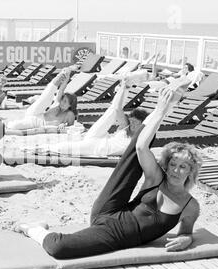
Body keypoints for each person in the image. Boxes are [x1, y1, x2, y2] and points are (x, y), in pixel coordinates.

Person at [15, 77, 202, 259]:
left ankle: (33, 228)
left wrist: (186, 239)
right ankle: (167, 104)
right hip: (109, 209)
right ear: (167, 165)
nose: (176, 171)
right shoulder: (157, 178)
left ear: (191, 170)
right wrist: (161, 110)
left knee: (59, 247)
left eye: (183, 166)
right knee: (135, 153)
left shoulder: (191, 206)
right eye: (173, 164)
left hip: (118, 233)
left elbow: (186, 232)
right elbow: (140, 147)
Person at [38, 77, 149, 157]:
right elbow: (117, 109)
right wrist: (125, 88)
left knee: (68, 148)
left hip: (96, 147)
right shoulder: (126, 127)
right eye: (132, 121)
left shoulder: (140, 140)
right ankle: (125, 87)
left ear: (142, 125)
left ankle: (44, 148)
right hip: (100, 137)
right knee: (112, 111)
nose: (133, 124)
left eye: (136, 123)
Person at [7, 68, 77, 132]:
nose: (62, 102)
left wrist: (64, 125)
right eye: (62, 99)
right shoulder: (58, 103)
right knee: (47, 99)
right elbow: (61, 89)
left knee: (13, 126)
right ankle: (59, 77)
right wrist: (67, 77)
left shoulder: (70, 115)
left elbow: (71, 127)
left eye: (65, 101)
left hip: (36, 122)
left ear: (70, 105)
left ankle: (10, 123)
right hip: (37, 112)